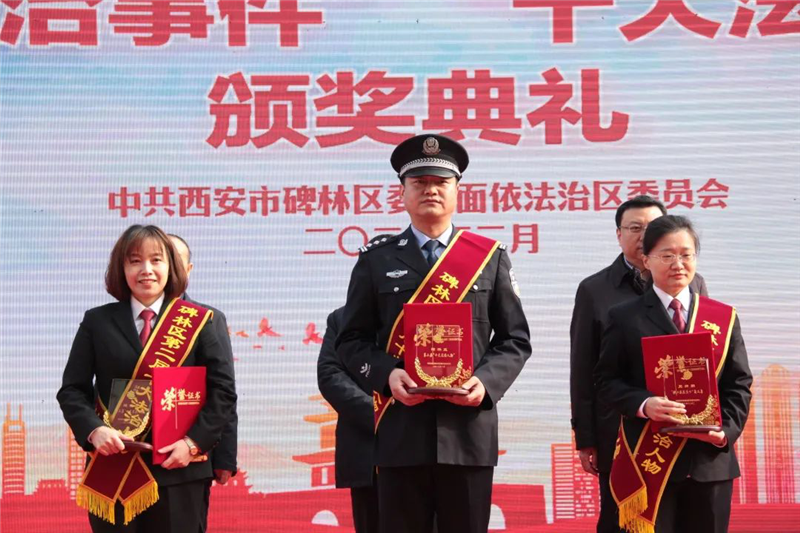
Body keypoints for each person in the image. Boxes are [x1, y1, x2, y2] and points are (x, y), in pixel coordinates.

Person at [336, 134, 532, 533]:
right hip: (400, 431)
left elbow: (515, 340)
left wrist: (485, 383)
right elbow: (351, 341)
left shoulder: (488, 257)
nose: (431, 190)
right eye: (420, 182)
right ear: (402, 193)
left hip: (468, 433)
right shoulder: (376, 260)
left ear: (458, 191)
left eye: (441, 182)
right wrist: (387, 375)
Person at [57, 224, 236, 533]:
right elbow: (72, 390)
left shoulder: (203, 320)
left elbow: (222, 393)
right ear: (121, 269)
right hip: (114, 467)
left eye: (156, 260)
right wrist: (94, 431)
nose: (146, 270)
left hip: (179, 469)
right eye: (135, 261)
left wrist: (193, 444)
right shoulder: (97, 321)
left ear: (172, 267)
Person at [595, 215, 752, 533]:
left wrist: (725, 431)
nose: (678, 264)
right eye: (667, 255)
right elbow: (606, 381)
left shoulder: (722, 317)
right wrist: (643, 404)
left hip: (709, 463)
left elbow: (739, 384)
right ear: (646, 259)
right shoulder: (624, 317)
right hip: (649, 462)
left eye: (686, 254)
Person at [569, 196, 709, 532]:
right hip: (620, 433)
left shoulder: (693, 283)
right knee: (622, 521)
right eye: (635, 228)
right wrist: (585, 437)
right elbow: (584, 368)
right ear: (619, 234)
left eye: (654, 227)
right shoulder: (595, 289)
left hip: (682, 430)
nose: (645, 234)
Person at [168, 234, 238, 487]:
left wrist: (225, 456)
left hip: (191, 453)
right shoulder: (126, 321)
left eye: (176, 260)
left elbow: (222, 390)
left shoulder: (208, 319)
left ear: (188, 270)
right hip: (130, 452)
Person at [317, 306, 379, 533]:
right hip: (368, 453)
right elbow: (330, 374)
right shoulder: (342, 318)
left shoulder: (428, 311)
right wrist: (379, 415)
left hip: (425, 453)